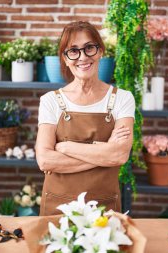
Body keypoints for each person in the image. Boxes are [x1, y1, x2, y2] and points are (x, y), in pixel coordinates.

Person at [36, 21, 135, 216]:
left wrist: (65, 147)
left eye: (89, 48)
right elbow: (45, 161)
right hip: (57, 209)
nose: (82, 57)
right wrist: (104, 152)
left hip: (103, 209)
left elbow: (120, 156)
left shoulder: (122, 98)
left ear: (100, 51)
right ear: (65, 58)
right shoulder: (50, 101)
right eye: (73, 51)